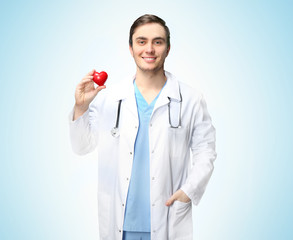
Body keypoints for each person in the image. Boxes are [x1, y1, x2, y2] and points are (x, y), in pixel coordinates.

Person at [69, 14, 216, 240]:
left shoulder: (191, 99)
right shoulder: (111, 99)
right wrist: (81, 107)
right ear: (131, 48)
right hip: (120, 223)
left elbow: (206, 150)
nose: (149, 49)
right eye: (141, 41)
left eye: (157, 42)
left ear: (168, 48)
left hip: (168, 218)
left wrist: (189, 190)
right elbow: (81, 147)